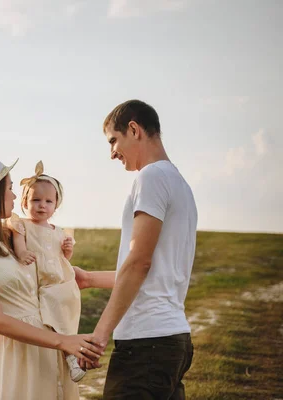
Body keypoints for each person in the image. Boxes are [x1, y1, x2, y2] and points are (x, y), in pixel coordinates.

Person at [0, 153, 102, 400]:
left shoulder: (14, 235)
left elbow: (64, 277)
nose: (16, 195)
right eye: (9, 188)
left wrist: (142, 274)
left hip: (48, 345)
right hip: (12, 351)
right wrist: (63, 341)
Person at [81, 100, 198, 399]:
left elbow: (139, 263)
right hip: (173, 339)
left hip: (147, 344)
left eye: (113, 141)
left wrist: (100, 335)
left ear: (133, 129)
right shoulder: (179, 183)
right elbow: (155, 269)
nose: (112, 154)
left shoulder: (151, 177)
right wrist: (89, 279)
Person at [6, 160, 86, 382]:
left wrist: (67, 252)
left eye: (48, 201)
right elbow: (20, 246)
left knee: (66, 314)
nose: (42, 205)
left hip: (61, 283)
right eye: (35, 200)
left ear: (56, 204)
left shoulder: (59, 231)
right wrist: (22, 254)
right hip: (41, 284)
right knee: (53, 313)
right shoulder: (22, 226)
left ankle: (73, 350)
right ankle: (72, 355)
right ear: (24, 202)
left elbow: (61, 260)